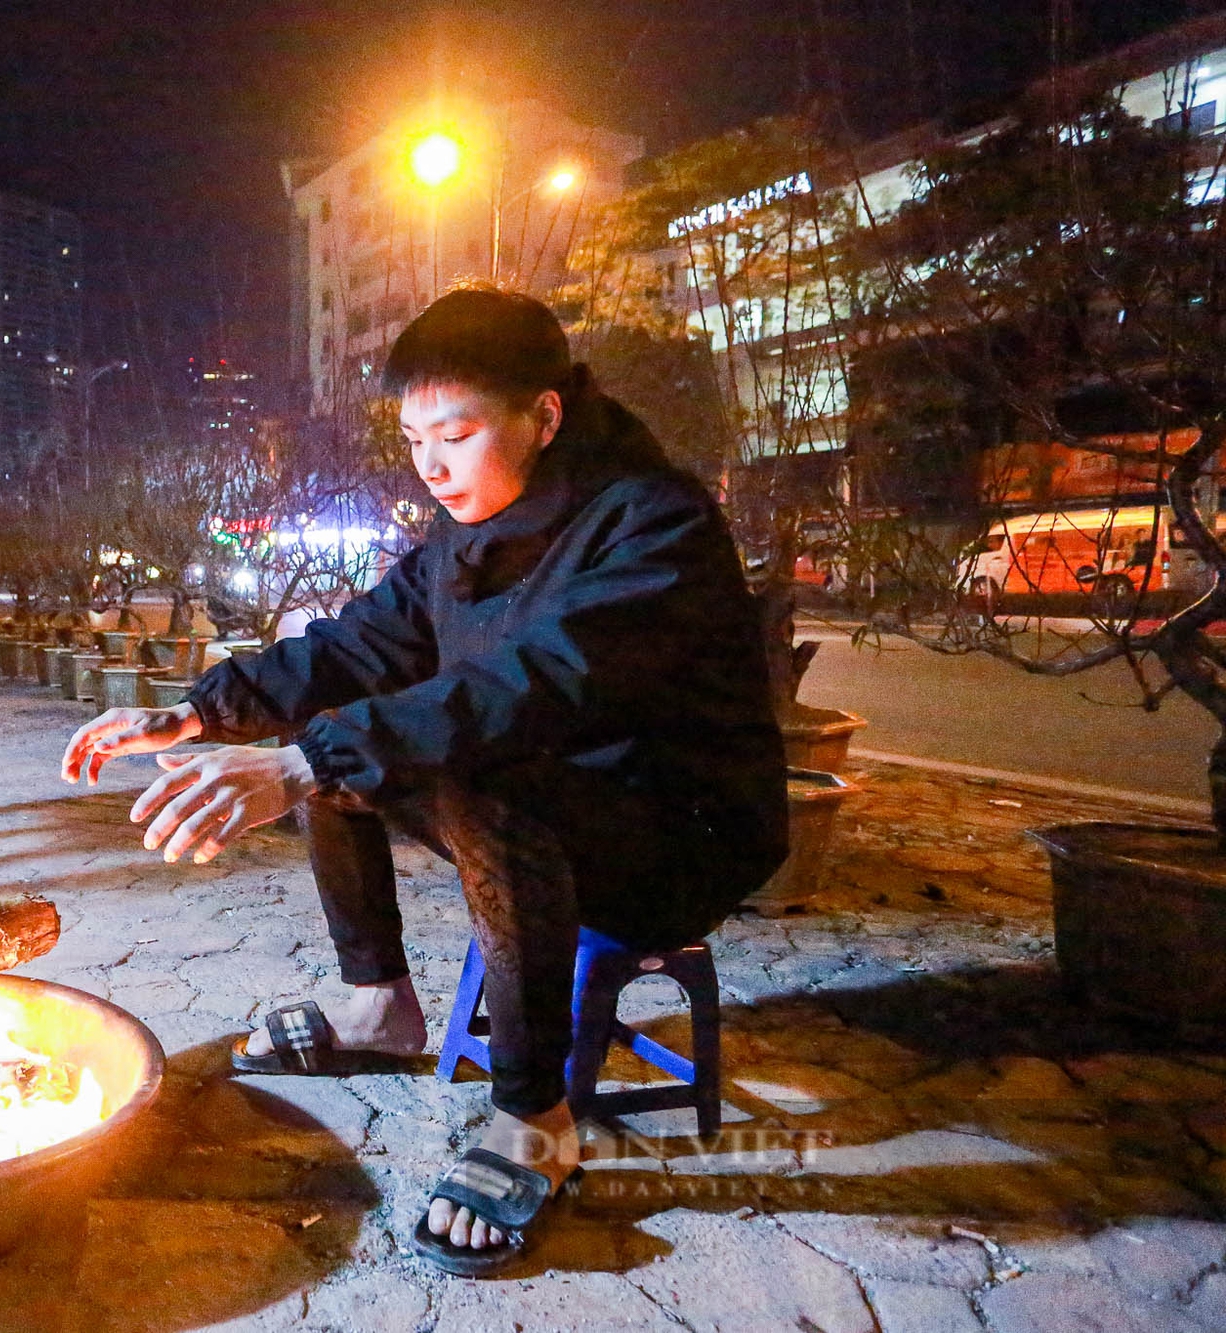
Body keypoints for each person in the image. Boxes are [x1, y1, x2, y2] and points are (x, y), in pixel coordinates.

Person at [60, 285, 787, 1276]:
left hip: (674, 824)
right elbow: (358, 644)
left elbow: (534, 682)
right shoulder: (461, 538)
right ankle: (378, 1006)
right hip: (550, 794)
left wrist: (299, 762)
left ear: (544, 415)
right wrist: (195, 711)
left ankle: (535, 1119)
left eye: (454, 433)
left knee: (444, 767)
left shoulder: (651, 524)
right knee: (343, 740)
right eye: (411, 439)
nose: (430, 465)